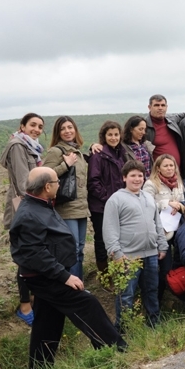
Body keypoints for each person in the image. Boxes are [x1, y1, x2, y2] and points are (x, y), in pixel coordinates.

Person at [10, 167, 125, 369]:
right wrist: (65, 276)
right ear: (47, 187)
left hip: (49, 274)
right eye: (56, 182)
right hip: (46, 277)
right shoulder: (29, 214)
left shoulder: (39, 204)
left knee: (47, 324)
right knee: (87, 304)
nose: (59, 184)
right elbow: (34, 254)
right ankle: (117, 351)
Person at [103, 160, 168, 329]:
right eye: (133, 176)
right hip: (128, 256)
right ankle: (123, 330)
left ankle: (155, 324)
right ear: (124, 177)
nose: (137, 179)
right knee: (126, 295)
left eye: (140, 175)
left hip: (151, 254)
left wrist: (162, 245)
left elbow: (157, 223)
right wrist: (116, 253)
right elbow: (109, 229)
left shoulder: (148, 197)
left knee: (151, 291)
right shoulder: (115, 199)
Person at [0, 112, 45, 326]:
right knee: (25, 257)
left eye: (40, 126)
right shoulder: (18, 146)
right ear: (22, 126)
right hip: (24, 209)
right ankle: (25, 306)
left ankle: (34, 297)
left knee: (33, 253)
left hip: (32, 207)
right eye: (32, 125)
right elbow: (22, 182)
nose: (36, 129)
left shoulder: (32, 147)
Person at [43, 116, 89, 280]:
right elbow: (44, 176)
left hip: (82, 208)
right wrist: (66, 164)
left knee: (80, 249)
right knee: (72, 249)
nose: (68, 131)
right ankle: (72, 288)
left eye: (70, 127)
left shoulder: (78, 152)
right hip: (66, 208)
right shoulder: (56, 151)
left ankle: (79, 284)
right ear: (58, 133)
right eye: (63, 128)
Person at [87, 121, 129, 274]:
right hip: (101, 206)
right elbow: (93, 182)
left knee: (118, 238)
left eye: (116, 134)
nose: (113, 138)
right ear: (104, 136)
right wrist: (110, 199)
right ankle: (104, 275)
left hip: (119, 204)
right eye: (110, 135)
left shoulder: (122, 153)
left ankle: (120, 271)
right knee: (102, 239)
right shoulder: (97, 155)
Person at [142, 154, 185, 302]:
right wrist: (166, 203)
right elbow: (146, 204)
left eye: (171, 165)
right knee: (163, 267)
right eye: (165, 166)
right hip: (159, 230)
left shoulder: (178, 182)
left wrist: (180, 206)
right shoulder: (150, 184)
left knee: (178, 262)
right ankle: (156, 300)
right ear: (158, 168)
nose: (169, 168)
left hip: (176, 227)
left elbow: (182, 203)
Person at [144, 94, 185, 168]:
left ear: (166, 107)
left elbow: (183, 115)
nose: (160, 108)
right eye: (156, 105)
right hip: (158, 174)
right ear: (149, 107)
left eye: (163, 105)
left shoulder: (171, 120)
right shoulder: (144, 126)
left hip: (177, 172)